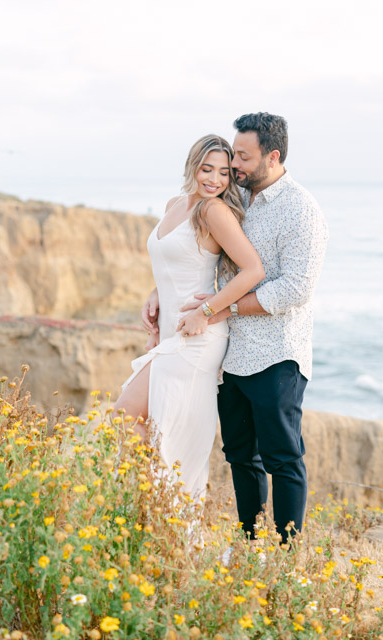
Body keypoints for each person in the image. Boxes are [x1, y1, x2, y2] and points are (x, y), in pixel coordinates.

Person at [183, 113, 328, 543]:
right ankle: (250, 542)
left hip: (277, 354)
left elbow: (296, 289)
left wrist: (225, 310)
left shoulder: (301, 209)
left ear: (273, 156)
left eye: (243, 158)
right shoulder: (237, 199)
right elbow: (207, 256)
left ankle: (287, 554)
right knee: (239, 456)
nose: (235, 165)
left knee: (283, 458)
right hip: (229, 354)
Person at [115, 135, 265, 502]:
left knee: (126, 416)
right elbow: (172, 261)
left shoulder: (213, 211)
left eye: (224, 173)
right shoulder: (175, 205)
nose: (214, 179)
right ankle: (157, 516)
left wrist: (207, 310)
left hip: (197, 337)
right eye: (207, 169)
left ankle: (158, 512)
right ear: (193, 166)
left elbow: (253, 270)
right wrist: (155, 296)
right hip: (170, 331)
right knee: (157, 431)